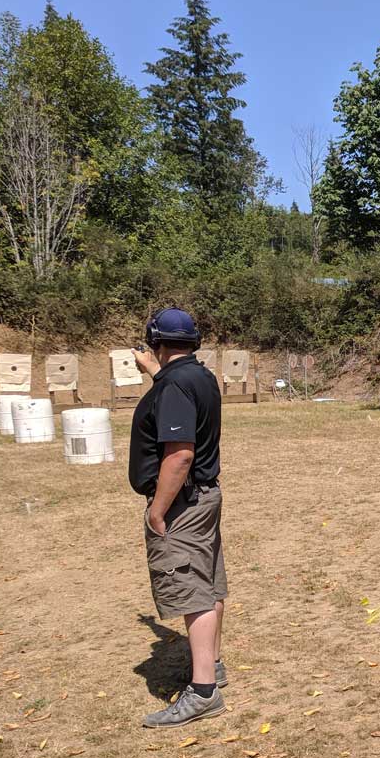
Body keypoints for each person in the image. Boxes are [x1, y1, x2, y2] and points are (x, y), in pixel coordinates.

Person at [128, 309, 229, 727]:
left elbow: (180, 454)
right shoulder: (199, 376)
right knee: (208, 582)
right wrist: (155, 372)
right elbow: (175, 390)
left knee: (192, 591)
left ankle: (203, 691)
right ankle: (213, 666)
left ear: (156, 342)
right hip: (202, 495)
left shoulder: (174, 386)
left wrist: (157, 509)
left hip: (182, 502)